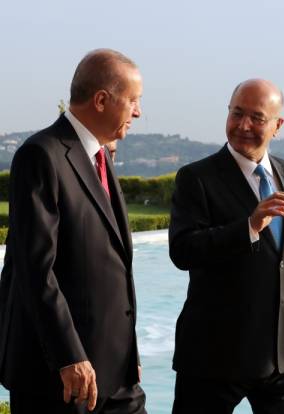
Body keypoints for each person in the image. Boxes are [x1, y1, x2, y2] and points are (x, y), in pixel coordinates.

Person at [169, 79, 284, 414]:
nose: (243, 125)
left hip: (279, 359)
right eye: (236, 114)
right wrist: (249, 227)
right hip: (211, 360)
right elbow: (183, 251)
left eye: (256, 118)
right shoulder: (195, 177)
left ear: (277, 125)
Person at [0, 49, 146, 413]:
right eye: (133, 101)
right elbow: (36, 270)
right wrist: (69, 357)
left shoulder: (102, 157)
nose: (138, 112)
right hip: (61, 379)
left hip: (115, 375)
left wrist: (127, 354)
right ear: (101, 100)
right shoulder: (41, 156)